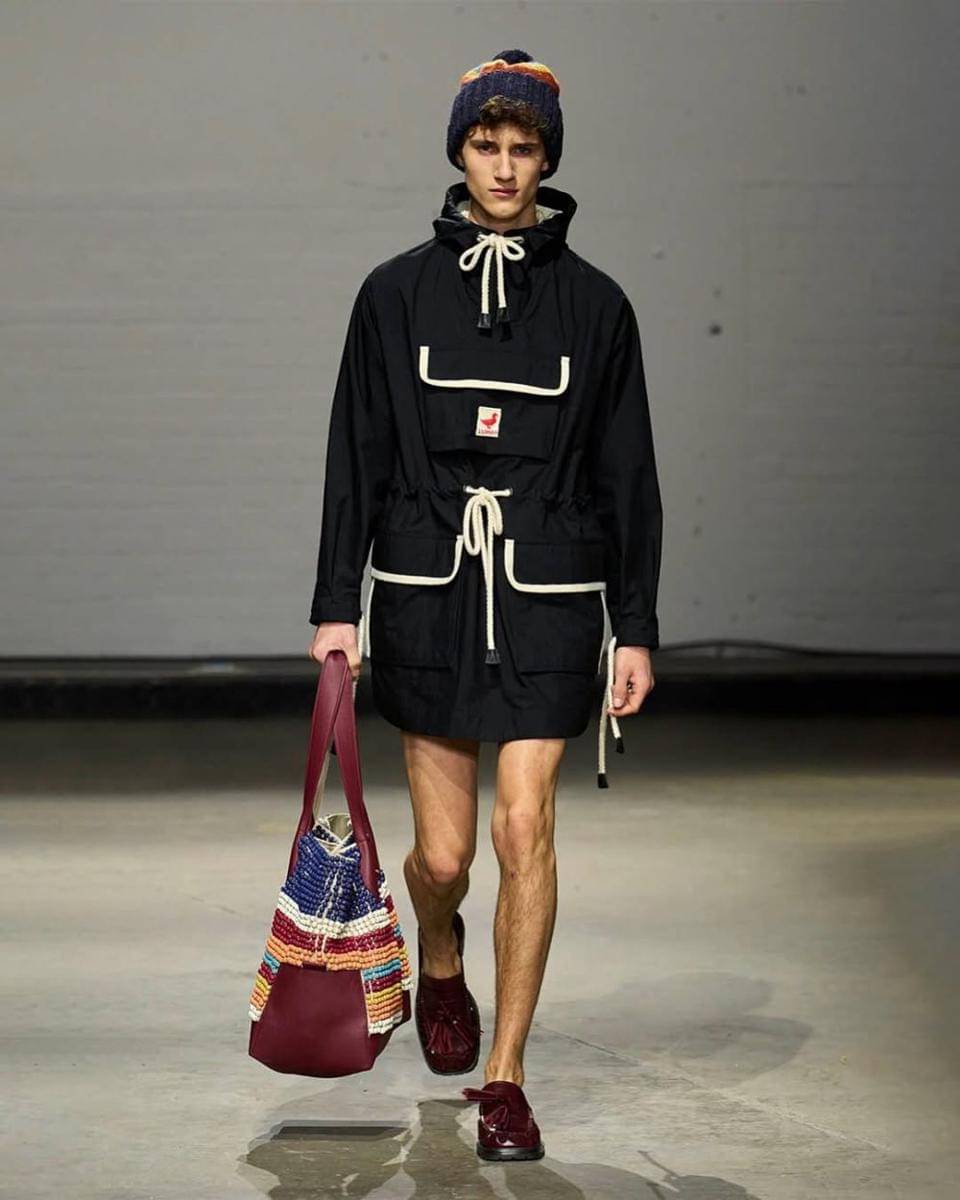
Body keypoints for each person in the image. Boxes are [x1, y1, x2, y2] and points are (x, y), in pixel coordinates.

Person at [307, 49, 663, 1162]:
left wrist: (637, 624)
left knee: (524, 828)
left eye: (524, 148)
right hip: (428, 586)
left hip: (550, 589)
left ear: (547, 159)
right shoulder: (394, 293)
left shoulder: (597, 306)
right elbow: (356, 453)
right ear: (459, 152)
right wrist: (336, 604)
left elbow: (628, 472)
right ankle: (441, 954)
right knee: (447, 859)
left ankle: (505, 1077)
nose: (504, 167)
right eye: (485, 144)